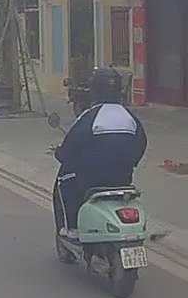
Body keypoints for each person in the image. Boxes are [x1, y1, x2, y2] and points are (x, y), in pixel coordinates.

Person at [52, 67, 147, 238]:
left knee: (63, 182)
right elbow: (142, 143)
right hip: (123, 179)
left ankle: (71, 228)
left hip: (91, 181)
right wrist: (130, 163)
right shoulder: (130, 118)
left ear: (94, 90)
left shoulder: (89, 117)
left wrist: (60, 154)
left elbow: (70, 148)